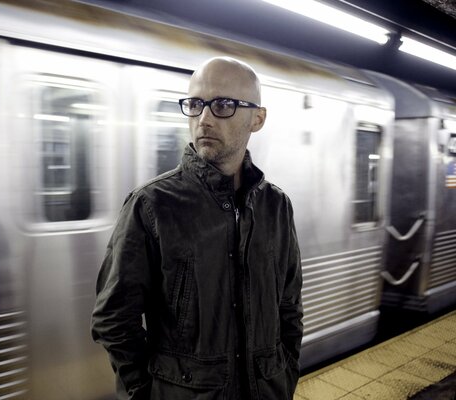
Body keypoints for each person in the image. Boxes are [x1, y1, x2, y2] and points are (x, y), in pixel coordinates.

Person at [91, 56, 303, 399]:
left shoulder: (276, 207)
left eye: (222, 105)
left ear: (257, 119)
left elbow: (289, 308)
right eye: (195, 104)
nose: (204, 119)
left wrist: (286, 375)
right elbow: (113, 320)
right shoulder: (152, 206)